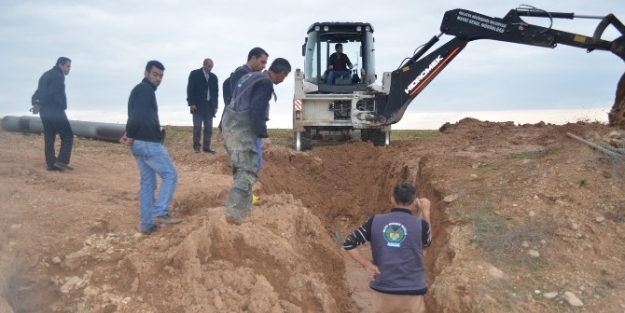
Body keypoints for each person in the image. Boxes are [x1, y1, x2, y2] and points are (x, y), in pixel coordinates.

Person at [221, 58, 291, 225]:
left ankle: (242, 209)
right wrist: (263, 135)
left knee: (241, 167)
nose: (283, 80)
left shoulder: (251, 76)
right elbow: (257, 109)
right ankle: (234, 213)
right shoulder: (265, 83)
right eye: (285, 76)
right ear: (281, 73)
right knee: (247, 169)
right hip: (241, 128)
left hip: (230, 123)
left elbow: (232, 97)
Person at [343, 182, 432, 313]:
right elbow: (427, 242)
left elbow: (348, 243)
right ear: (415, 202)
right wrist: (426, 212)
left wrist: (367, 264)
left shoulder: (375, 221)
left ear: (392, 200)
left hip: (383, 291)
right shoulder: (420, 226)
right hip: (412, 292)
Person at [120, 60, 182, 235]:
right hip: (148, 143)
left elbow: (134, 115)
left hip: (139, 144)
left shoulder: (138, 90)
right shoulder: (145, 89)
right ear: (146, 73)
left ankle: (146, 224)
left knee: (148, 183)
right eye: (155, 74)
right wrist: (130, 134)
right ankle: (161, 211)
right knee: (170, 174)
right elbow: (138, 115)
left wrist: (129, 134)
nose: (158, 79)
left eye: (161, 76)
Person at [32, 57, 74, 171]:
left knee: (49, 136)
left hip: (44, 110)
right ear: (61, 65)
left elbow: (37, 93)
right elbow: (52, 92)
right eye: (68, 66)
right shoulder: (58, 76)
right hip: (55, 109)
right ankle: (61, 162)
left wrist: (36, 104)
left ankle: (51, 164)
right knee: (67, 135)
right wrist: (42, 102)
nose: (69, 69)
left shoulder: (45, 75)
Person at [217, 47, 269, 138]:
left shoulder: (251, 75)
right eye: (262, 62)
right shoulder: (241, 74)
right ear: (253, 58)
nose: (264, 66)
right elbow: (236, 100)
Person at [187, 58, 219, 153]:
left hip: (209, 106)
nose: (210, 68)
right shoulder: (194, 74)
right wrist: (191, 103)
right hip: (197, 105)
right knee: (197, 127)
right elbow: (190, 89)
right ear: (204, 65)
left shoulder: (213, 77)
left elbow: (215, 93)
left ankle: (207, 147)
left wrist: (215, 106)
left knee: (208, 127)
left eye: (212, 67)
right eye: (209, 66)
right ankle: (197, 147)